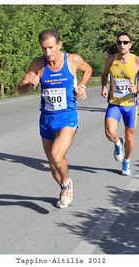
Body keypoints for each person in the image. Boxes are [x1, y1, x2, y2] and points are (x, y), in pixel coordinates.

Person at [17, 30, 92, 209]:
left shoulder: (72, 60)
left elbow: (88, 69)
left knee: (56, 155)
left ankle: (66, 183)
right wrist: (30, 84)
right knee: (52, 163)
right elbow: (20, 89)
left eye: (51, 47)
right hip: (46, 118)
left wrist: (82, 85)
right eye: (44, 49)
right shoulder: (37, 64)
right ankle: (64, 187)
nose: (48, 53)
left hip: (67, 116)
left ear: (59, 44)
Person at [101, 32, 139, 176]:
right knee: (109, 132)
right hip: (115, 103)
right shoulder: (111, 60)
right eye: (119, 42)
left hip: (130, 105)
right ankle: (118, 143)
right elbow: (104, 74)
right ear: (116, 44)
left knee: (129, 138)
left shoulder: (137, 61)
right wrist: (104, 86)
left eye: (125, 42)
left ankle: (127, 161)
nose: (122, 45)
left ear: (130, 44)